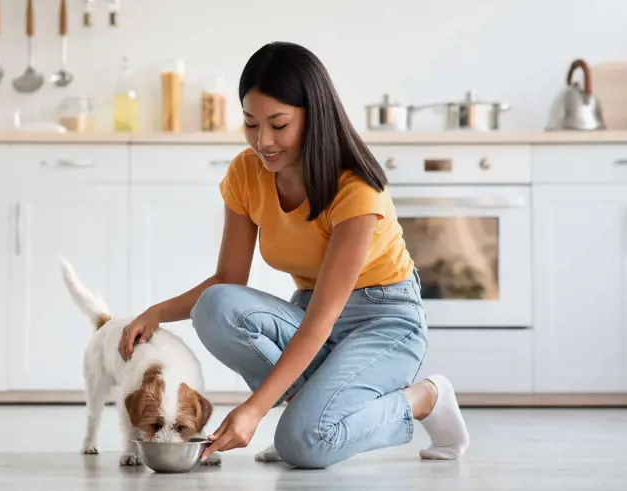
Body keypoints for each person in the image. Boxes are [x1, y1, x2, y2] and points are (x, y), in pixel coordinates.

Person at [119, 41, 469, 469]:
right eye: (250, 124)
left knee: (303, 445)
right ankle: (311, 418)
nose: (262, 141)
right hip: (308, 313)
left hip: (383, 321)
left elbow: (324, 317)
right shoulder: (247, 173)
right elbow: (228, 279)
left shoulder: (355, 188)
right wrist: (155, 312)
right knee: (216, 306)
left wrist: (254, 409)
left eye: (278, 125)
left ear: (313, 116)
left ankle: (424, 399)